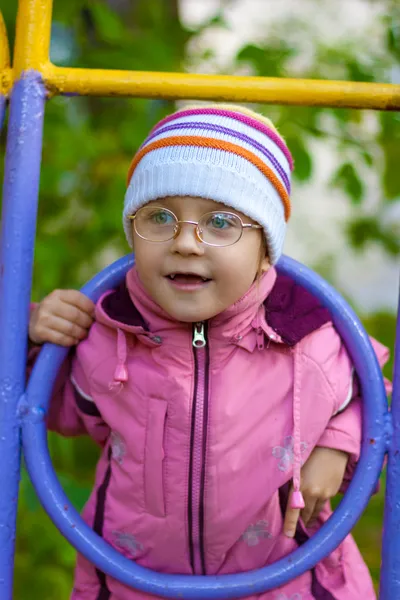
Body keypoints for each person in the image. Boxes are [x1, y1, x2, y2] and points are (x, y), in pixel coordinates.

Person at [29, 104, 391, 600]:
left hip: (289, 581)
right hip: (136, 581)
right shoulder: (109, 330)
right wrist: (31, 339)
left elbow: (373, 399)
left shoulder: (306, 334)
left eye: (220, 222)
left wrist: (338, 443)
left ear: (266, 249)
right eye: (159, 217)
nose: (185, 243)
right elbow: (39, 403)